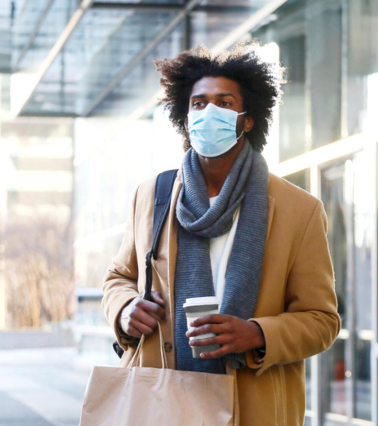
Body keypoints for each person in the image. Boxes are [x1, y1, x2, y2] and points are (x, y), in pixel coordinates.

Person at [101, 41, 340, 426]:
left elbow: (322, 320)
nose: (208, 112)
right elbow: (120, 277)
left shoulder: (300, 209)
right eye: (198, 103)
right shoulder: (153, 194)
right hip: (160, 398)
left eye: (224, 102)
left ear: (247, 118)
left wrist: (257, 334)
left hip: (252, 405)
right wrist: (124, 309)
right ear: (184, 114)